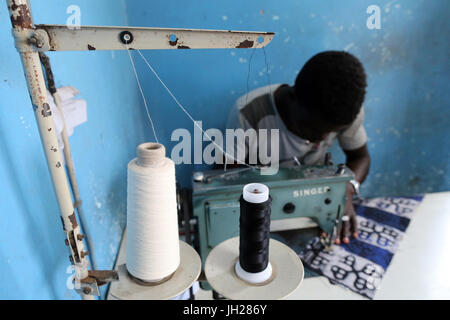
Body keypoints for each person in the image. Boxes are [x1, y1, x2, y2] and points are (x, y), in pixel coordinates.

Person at [225, 51, 371, 244]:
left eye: (332, 132)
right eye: (311, 128)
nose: (321, 139)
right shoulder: (249, 114)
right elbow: (224, 181)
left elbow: (360, 158)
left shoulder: (344, 112)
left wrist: (347, 189)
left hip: (314, 208)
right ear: (292, 98)